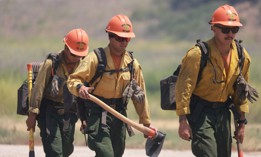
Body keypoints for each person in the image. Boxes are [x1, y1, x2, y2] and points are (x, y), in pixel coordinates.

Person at [67, 14, 151, 157]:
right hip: (98, 114)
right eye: (119, 38)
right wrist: (80, 88)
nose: (123, 42)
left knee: (116, 154)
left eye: (127, 39)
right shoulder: (96, 58)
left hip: (119, 115)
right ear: (110, 37)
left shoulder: (132, 64)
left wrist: (146, 124)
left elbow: (140, 95)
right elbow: (72, 80)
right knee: (106, 154)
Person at [175, 4, 251, 157]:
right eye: (225, 29)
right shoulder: (197, 54)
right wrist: (183, 121)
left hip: (223, 113)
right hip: (201, 112)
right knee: (207, 153)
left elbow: (242, 93)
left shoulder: (242, 57)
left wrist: (241, 124)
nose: (230, 34)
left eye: (234, 30)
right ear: (214, 28)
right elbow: (184, 89)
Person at [26, 28, 89, 157]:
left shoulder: (83, 66)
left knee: (66, 150)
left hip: (69, 113)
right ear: (66, 48)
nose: (77, 58)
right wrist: (32, 115)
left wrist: (84, 118)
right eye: (73, 54)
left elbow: (83, 95)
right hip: (49, 112)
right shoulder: (51, 64)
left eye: (79, 55)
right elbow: (38, 88)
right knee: (55, 152)